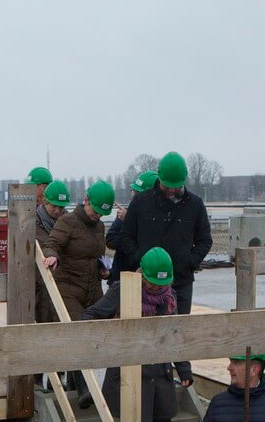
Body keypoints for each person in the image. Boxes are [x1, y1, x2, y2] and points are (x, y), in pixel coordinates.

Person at [82, 247, 192, 422]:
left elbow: (175, 336)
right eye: (153, 284)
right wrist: (111, 335)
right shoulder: (122, 290)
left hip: (159, 372)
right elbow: (90, 315)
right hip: (129, 371)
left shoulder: (169, 298)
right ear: (142, 276)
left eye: (162, 284)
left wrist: (184, 369)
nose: (158, 288)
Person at [114, 151, 212, 315]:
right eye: (167, 186)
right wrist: (139, 258)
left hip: (180, 281)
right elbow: (126, 236)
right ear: (159, 177)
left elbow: (205, 240)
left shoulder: (195, 205)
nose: (172, 190)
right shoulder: (141, 202)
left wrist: (189, 262)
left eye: (176, 186)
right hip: (146, 284)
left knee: (178, 332)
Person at [43, 181, 114, 403]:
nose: (97, 216)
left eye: (102, 213)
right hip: (68, 288)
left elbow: (96, 256)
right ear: (86, 201)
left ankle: (82, 384)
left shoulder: (100, 227)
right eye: (95, 211)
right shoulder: (68, 222)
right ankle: (85, 389)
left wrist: (103, 270)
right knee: (76, 333)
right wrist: (52, 255)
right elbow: (51, 243)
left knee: (104, 331)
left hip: (93, 289)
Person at [104, 170, 157, 285]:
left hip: (147, 283)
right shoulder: (125, 214)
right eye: (133, 191)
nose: (133, 196)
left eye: (137, 193)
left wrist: (129, 223)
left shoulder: (160, 219)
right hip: (119, 279)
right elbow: (110, 240)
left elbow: (151, 245)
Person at [34, 179, 71, 324]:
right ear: (45, 202)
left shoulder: (70, 222)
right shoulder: (33, 223)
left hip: (64, 280)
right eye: (54, 206)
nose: (57, 211)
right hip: (41, 281)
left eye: (61, 207)